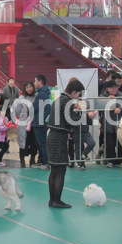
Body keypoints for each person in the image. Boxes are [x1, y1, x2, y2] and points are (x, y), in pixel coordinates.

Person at [46, 79, 85, 208]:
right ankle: (57, 201)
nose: (78, 97)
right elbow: (72, 121)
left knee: (54, 170)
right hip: (59, 138)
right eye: (78, 94)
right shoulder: (67, 102)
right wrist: (81, 112)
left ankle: (52, 200)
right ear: (73, 92)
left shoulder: (58, 100)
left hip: (52, 136)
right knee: (61, 170)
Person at [99, 80, 122, 167]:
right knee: (109, 142)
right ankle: (110, 160)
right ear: (107, 89)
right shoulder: (102, 96)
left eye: (116, 88)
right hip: (107, 122)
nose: (115, 90)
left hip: (120, 122)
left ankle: (121, 160)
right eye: (112, 88)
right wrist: (109, 102)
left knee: (120, 141)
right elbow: (100, 107)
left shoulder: (121, 95)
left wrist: (120, 108)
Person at [15, 81, 37, 167]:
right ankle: (22, 160)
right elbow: (17, 111)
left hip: (34, 123)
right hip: (24, 123)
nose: (29, 89)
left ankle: (32, 159)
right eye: (27, 87)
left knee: (33, 141)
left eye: (30, 87)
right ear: (24, 88)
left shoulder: (36, 97)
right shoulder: (21, 98)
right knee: (23, 141)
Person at [32, 74, 51, 168]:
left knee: (42, 142)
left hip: (40, 121)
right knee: (39, 142)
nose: (34, 83)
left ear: (40, 82)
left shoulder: (42, 94)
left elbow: (35, 107)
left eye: (35, 81)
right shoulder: (44, 92)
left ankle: (46, 162)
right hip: (40, 120)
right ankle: (41, 160)